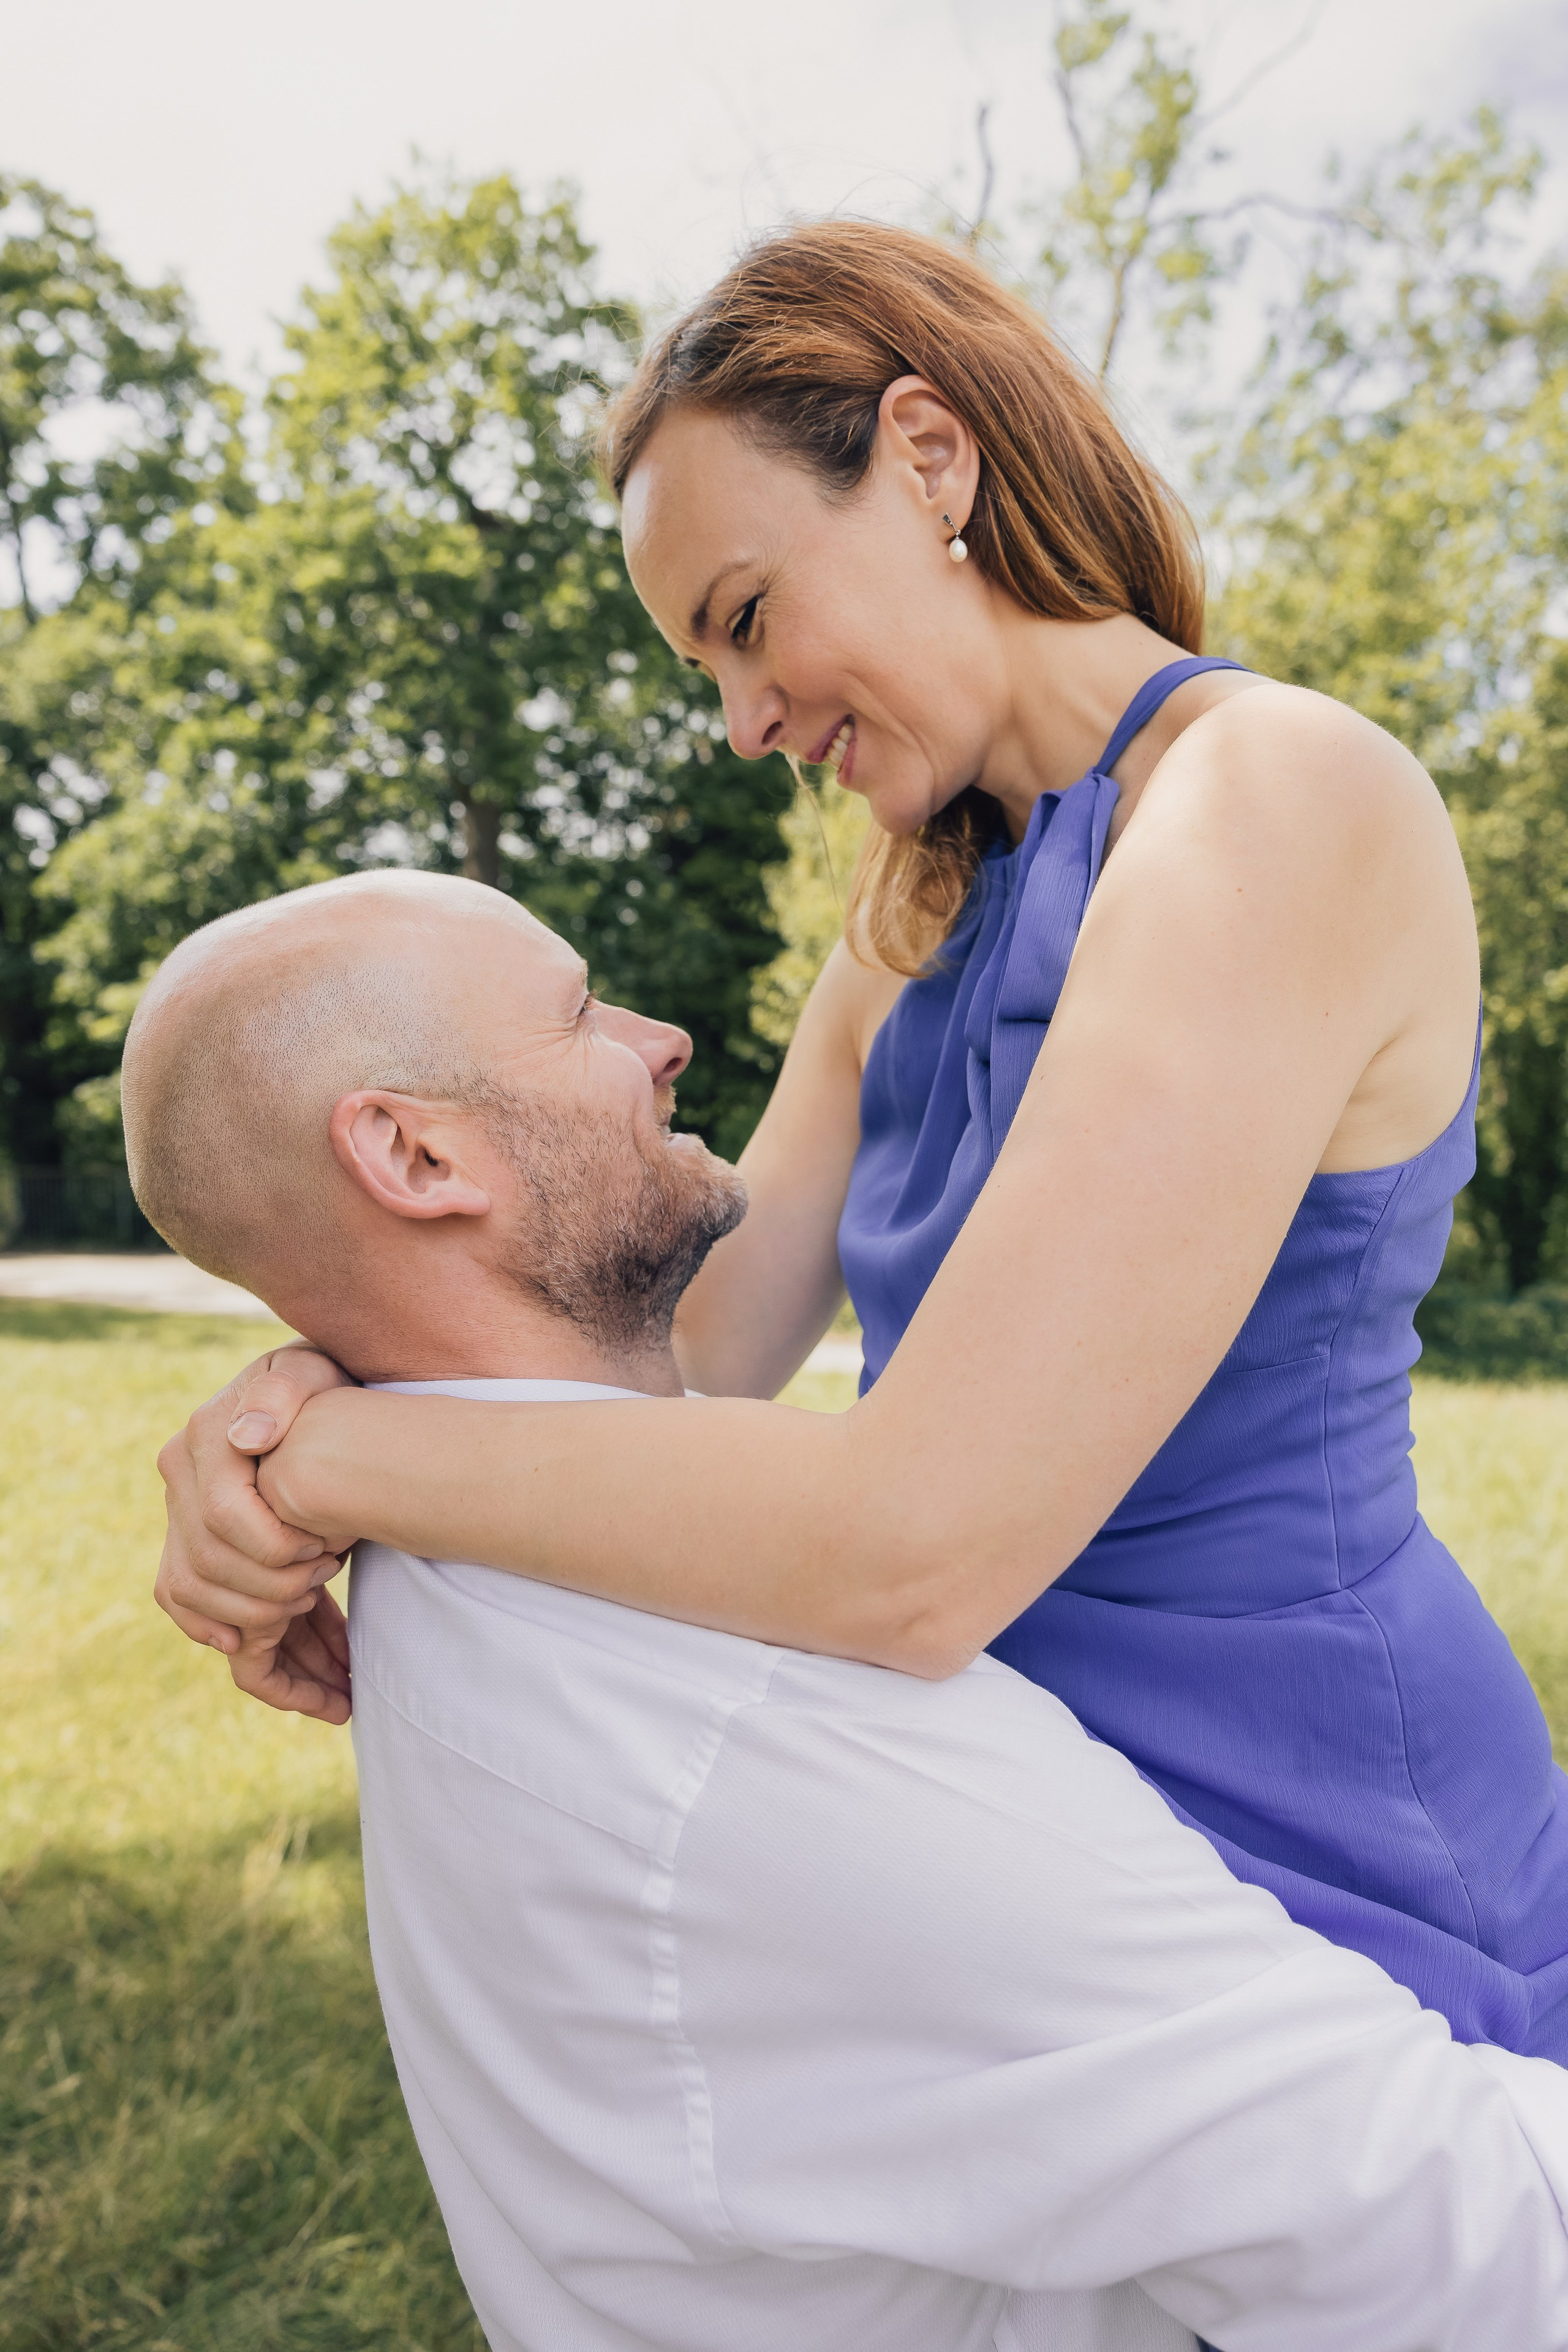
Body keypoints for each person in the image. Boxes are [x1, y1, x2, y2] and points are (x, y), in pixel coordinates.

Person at [154, 221, 1568, 2059]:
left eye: (744, 621)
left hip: (1340, 1840)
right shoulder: (905, 927)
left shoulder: (1271, 805)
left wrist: (331, 1465)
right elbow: (664, 1367)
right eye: (703, 669)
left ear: (928, 457)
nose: (741, 724)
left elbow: (918, 1543)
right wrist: (264, 1421)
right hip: (1036, 1849)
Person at [123, 871, 1568, 2352]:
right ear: (417, 1153)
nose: (664, 1033)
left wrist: (321, 1417)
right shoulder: (766, 1724)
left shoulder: (459, 1558)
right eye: (578, 1015)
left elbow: (682, 1355)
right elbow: (1469, 2241)